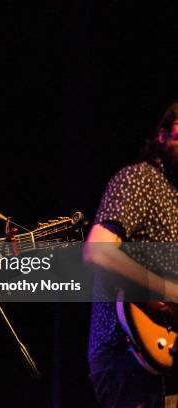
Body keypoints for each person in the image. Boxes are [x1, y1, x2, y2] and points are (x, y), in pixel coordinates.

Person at [84, 101, 178, 407]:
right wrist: (167, 290)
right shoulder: (139, 179)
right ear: (163, 135)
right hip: (127, 354)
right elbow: (98, 252)